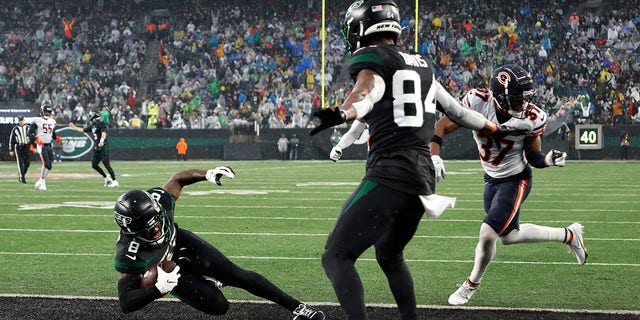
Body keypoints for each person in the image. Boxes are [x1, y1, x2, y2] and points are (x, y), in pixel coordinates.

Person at [309, 1, 505, 319]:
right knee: (389, 255)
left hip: (391, 172)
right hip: (422, 179)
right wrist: (494, 127)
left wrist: (341, 112)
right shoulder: (422, 64)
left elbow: (367, 90)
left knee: (336, 255)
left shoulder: (372, 58)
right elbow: (457, 112)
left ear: (362, 27)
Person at [428, 64, 588, 306]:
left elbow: (534, 156)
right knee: (508, 236)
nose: (523, 105)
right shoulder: (477, 101)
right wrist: (434, 155)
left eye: (525, 99)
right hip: (491, 180)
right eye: (516, 99)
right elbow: (442, 125)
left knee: (487, 233)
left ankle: (470, 285)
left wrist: (548, 160)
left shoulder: (533, 118)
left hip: (516, 180)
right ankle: (568, 235)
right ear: (500, 96)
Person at [113, 166, 324, 320]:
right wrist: (158, 289)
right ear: (133, 232)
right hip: (165, 271)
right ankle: (197, 279)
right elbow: (126, 302)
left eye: (158, 223)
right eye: (150, 231)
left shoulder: (159, 203)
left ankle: (297, 308)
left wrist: (207, 174)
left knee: (236, 274)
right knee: (219, 307)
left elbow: (178, 179)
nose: (158, 229)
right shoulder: (129, 253)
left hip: (181, 242)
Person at [68, 112, 119, 188]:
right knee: (94, 165)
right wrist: (74, 127)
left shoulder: (101, 123)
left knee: (106, 163)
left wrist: (101, 141)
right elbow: (83, 130)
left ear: (94, 118)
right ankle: (106, 177)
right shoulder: (93, 126)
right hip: (97, 147)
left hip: (103, 145)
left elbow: (103, 133)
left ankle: (115, 181)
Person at [29, 104, 61, 191]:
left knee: (49, 165)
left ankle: (40, 181)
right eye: (46, 112)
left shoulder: (52, 121)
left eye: (49, 112)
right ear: (42, 112)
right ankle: (42, 182)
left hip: (48, 144)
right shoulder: (37, 120)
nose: (47, 114)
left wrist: (56, 137)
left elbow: (52, 134)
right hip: (41, 145)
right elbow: (30, 133)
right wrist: (36, 140)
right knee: (46, 163)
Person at [8, 116, 31, 183]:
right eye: (19, 120)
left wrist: (34, 146)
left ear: (24, 120)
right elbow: (11, 140)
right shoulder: (15, 129)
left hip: (26, 146)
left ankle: (22, 174)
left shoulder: (28, 128)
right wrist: (11, 149)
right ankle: (22, 178)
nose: (21, 122)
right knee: (20, 163)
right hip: (19, 147)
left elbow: (32, 136)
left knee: (27, 163)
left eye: (21, 120)